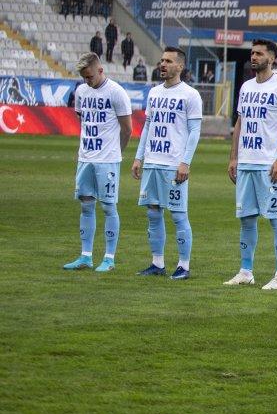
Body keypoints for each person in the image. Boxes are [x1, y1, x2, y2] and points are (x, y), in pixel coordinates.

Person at [224, 38, 277, 291]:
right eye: (252, 53)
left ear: (272, 58)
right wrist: (234, 157)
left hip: (269, 165)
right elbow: (240, 124)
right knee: (246, 219)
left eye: (259, 54)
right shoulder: (245, 87)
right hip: (246, 163)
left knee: (276, 219)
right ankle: (246, 271)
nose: (253, 57)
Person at [131, 47, 203, 279]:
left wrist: (185, 162)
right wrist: (139, 157)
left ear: (180, 66)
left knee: (178, 215)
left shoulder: (190, 95)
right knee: (153, 213)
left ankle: (184, 265)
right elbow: (148, 127)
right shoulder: (154, 93)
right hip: (152, 162)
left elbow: (194, 131)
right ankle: (157, 263)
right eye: (161, 60)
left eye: (168, 61)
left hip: (173, 165)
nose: (162, 64)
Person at [62, 52, 133, 272]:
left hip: (107, 161)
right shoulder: (82, 91)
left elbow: (127, 129)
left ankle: (109, 258)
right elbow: (83, 120)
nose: (87, 81)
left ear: (100, 70)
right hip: (86, 158)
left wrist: (115, 153)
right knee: (86, 205)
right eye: (84, 77)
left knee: (109, 207)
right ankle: (85, 256)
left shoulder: (116, 92)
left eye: (90, 76)